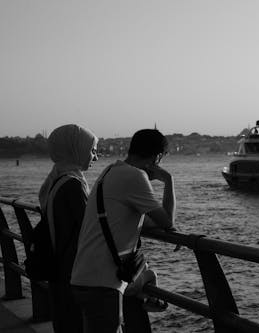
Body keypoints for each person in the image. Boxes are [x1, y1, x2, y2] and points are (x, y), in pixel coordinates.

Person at [71, 129, 176, 333]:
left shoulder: (110, 171)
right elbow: (166, 220)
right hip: (102, 284)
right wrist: (168, 180)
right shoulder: (134, 176)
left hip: (83, 277)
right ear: (158, 157)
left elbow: (139, 222)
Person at [38, 124, 98, 333]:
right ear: (75, 149)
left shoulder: (55, 182)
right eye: (92, 150)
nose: (95, 157)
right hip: (74, 275)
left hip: (60, 273)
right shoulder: (73, 185)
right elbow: (90, 231)